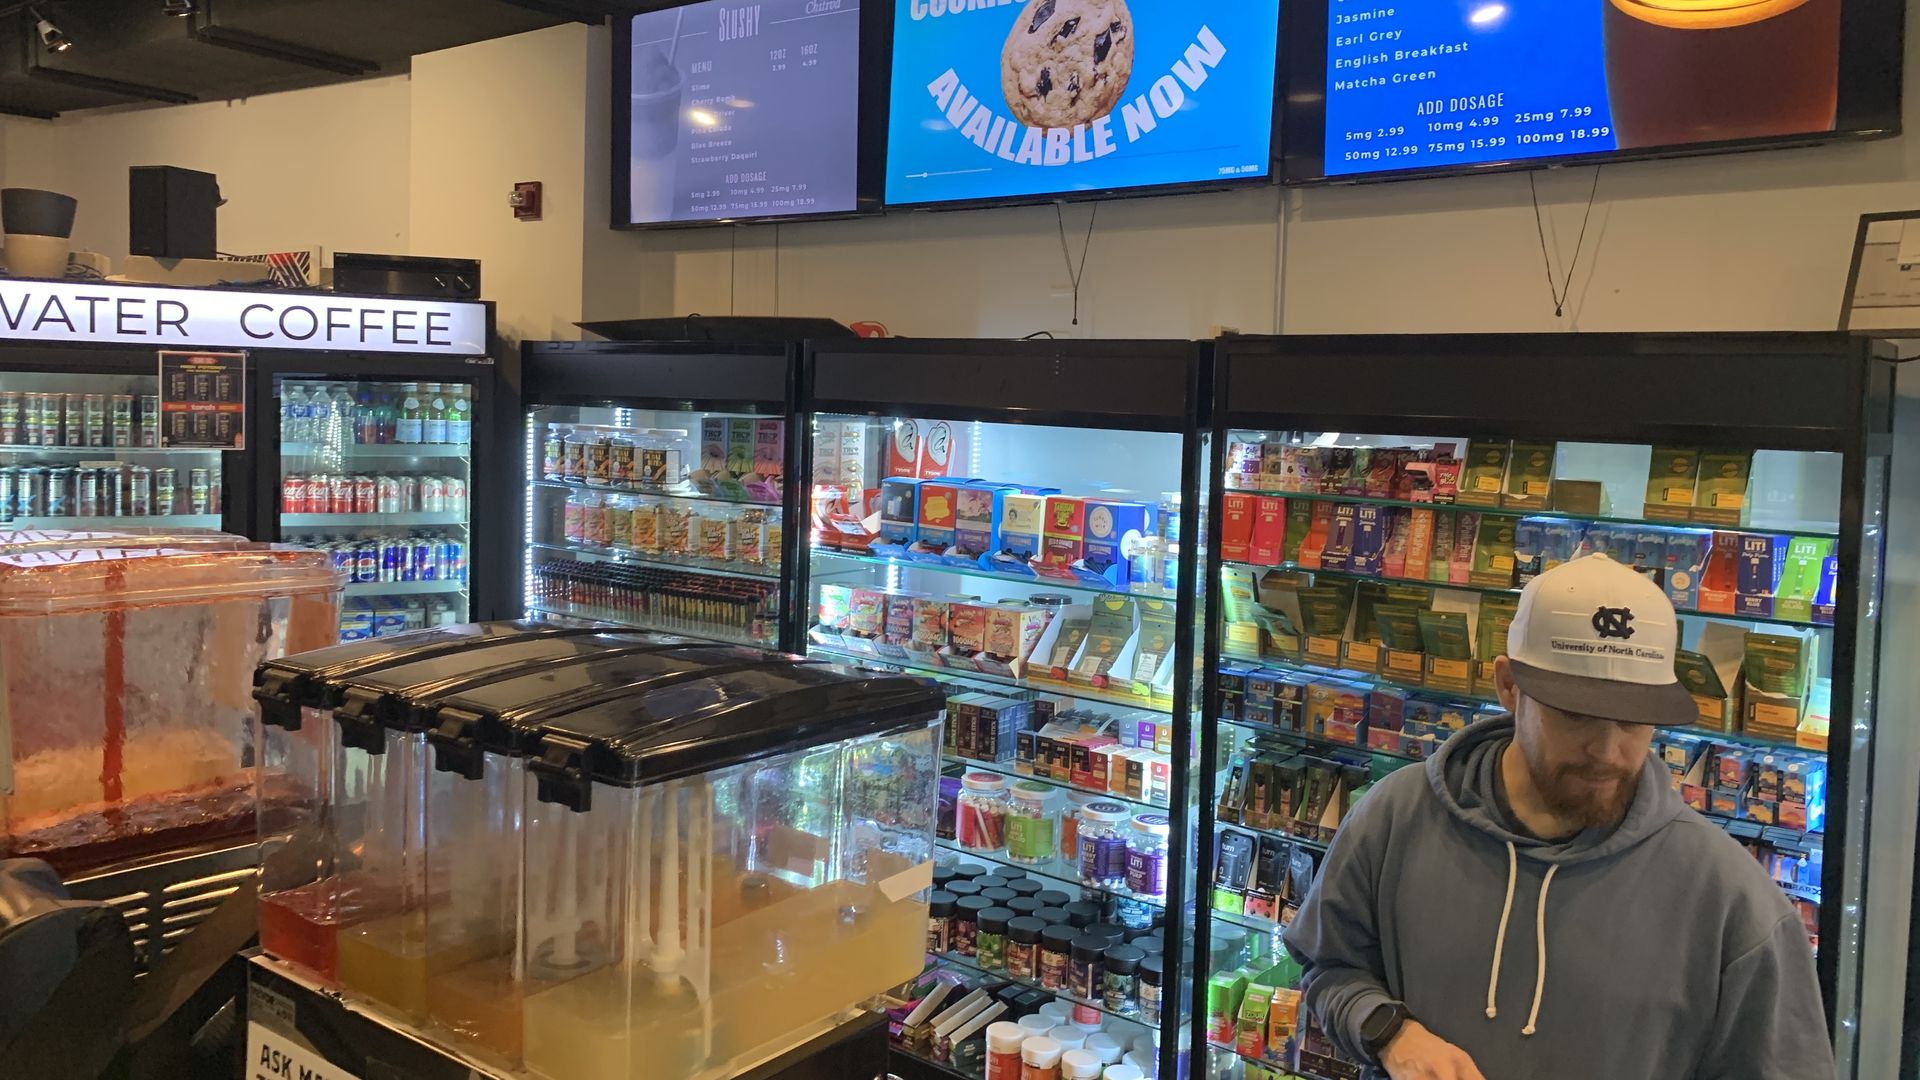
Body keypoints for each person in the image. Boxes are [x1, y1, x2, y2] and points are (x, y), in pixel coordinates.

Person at [1283, 553, 1832, 1080]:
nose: (1608, 751)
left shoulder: (1734, 902)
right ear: (1508, 686)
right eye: (1576, 715)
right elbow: (1329, 966)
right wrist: (1390, 1034)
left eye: (1635, 721)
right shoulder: (1394, 817)